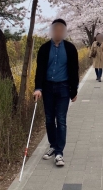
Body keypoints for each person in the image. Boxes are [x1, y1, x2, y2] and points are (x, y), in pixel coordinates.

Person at [34, 19, 79, 167]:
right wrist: (38, 88)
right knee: (48, 119)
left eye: (61, 30)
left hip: (64, 87)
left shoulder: (70, 48)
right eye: (56, 29)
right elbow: (40, 69)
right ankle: (53, 145)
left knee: (61, 119)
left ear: (65, 32)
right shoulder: (45, 48)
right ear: (52, 31)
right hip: (47, 88)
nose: (58, 32)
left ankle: (59, 152)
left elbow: (74, 70)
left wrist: (74, 91)